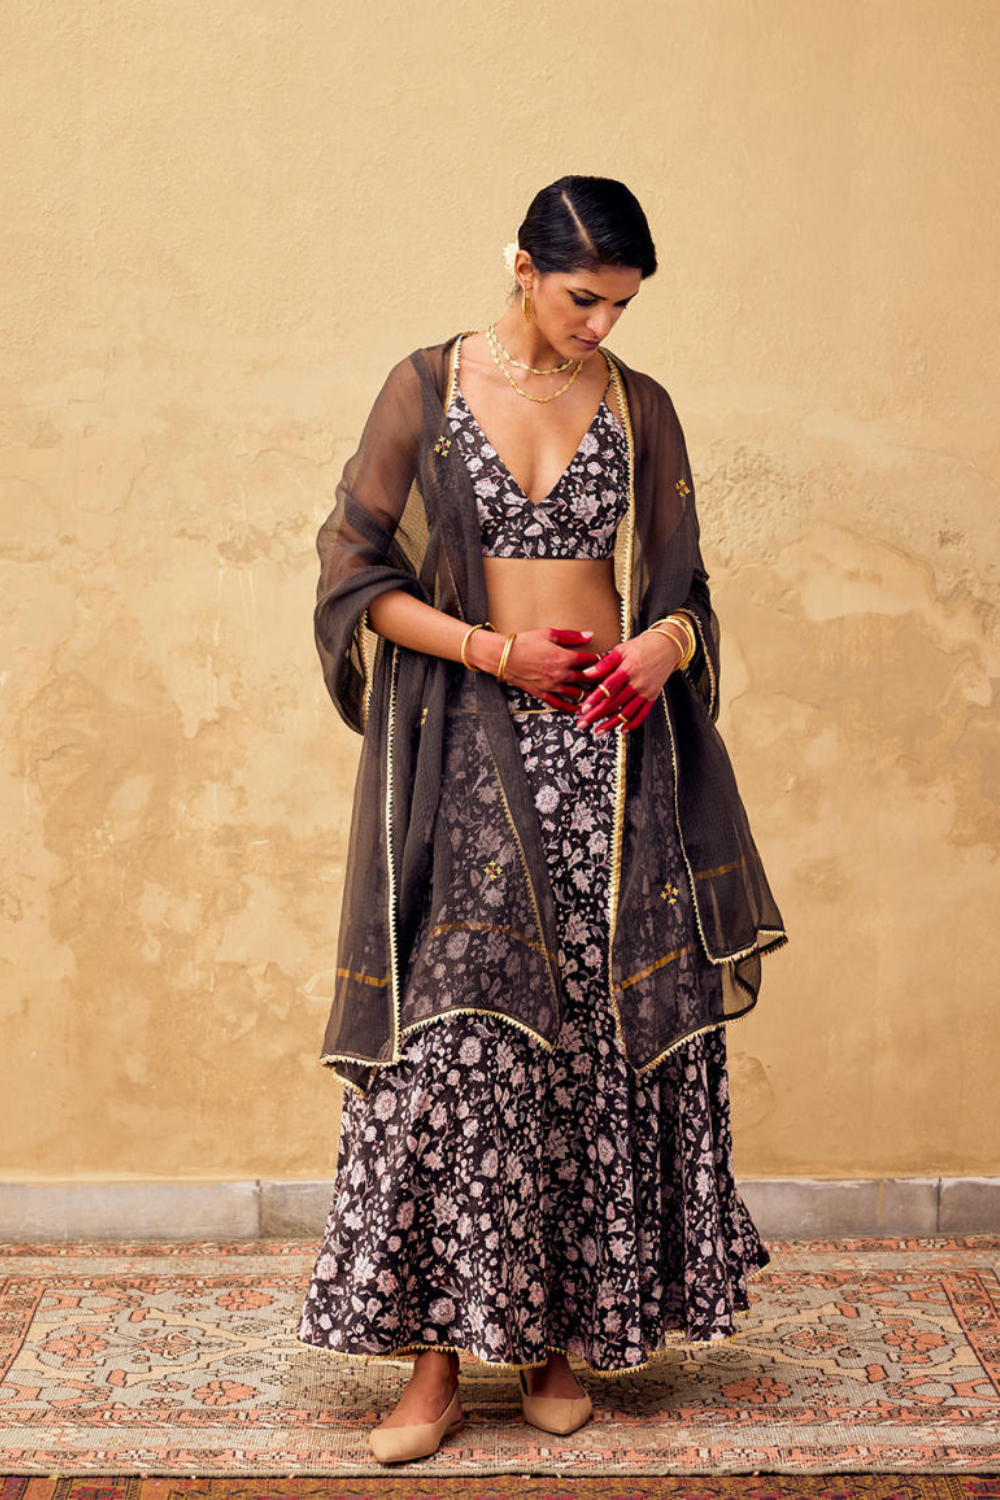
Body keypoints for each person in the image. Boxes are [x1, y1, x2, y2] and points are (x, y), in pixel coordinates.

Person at [296, 175, 787, 1465]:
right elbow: (353, 574)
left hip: (612, 762)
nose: (601, 325)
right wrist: (496, 652)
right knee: (457, 1042)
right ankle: (433, 1362)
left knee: (586, 1038)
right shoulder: (425, 389)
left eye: (621, 306)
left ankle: (560, 1342)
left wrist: (662, 649)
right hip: (466, 746)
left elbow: (685, 594)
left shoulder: (640, 407)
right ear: (522, 266)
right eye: (583, 297)